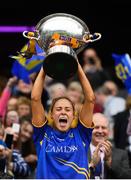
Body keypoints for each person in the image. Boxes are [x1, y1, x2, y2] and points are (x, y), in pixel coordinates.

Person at [31, 59, 95, 179]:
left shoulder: (81, 134)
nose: (63, 112)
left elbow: (90, 99)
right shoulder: (43, 133)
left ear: (74, 115)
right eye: (59, 109)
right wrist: (46, 65)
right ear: (51, 115)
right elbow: (35, 98)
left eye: (67, 109)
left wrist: (77, 65)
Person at [89, 113, 131, 179]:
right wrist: (92, 165)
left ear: (109, 131)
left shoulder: (122, 154)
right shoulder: (79, 152)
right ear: (89, 130)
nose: (100, 131)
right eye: (96, 127)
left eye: (104, 128)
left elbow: (128, 177)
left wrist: (110, 162)